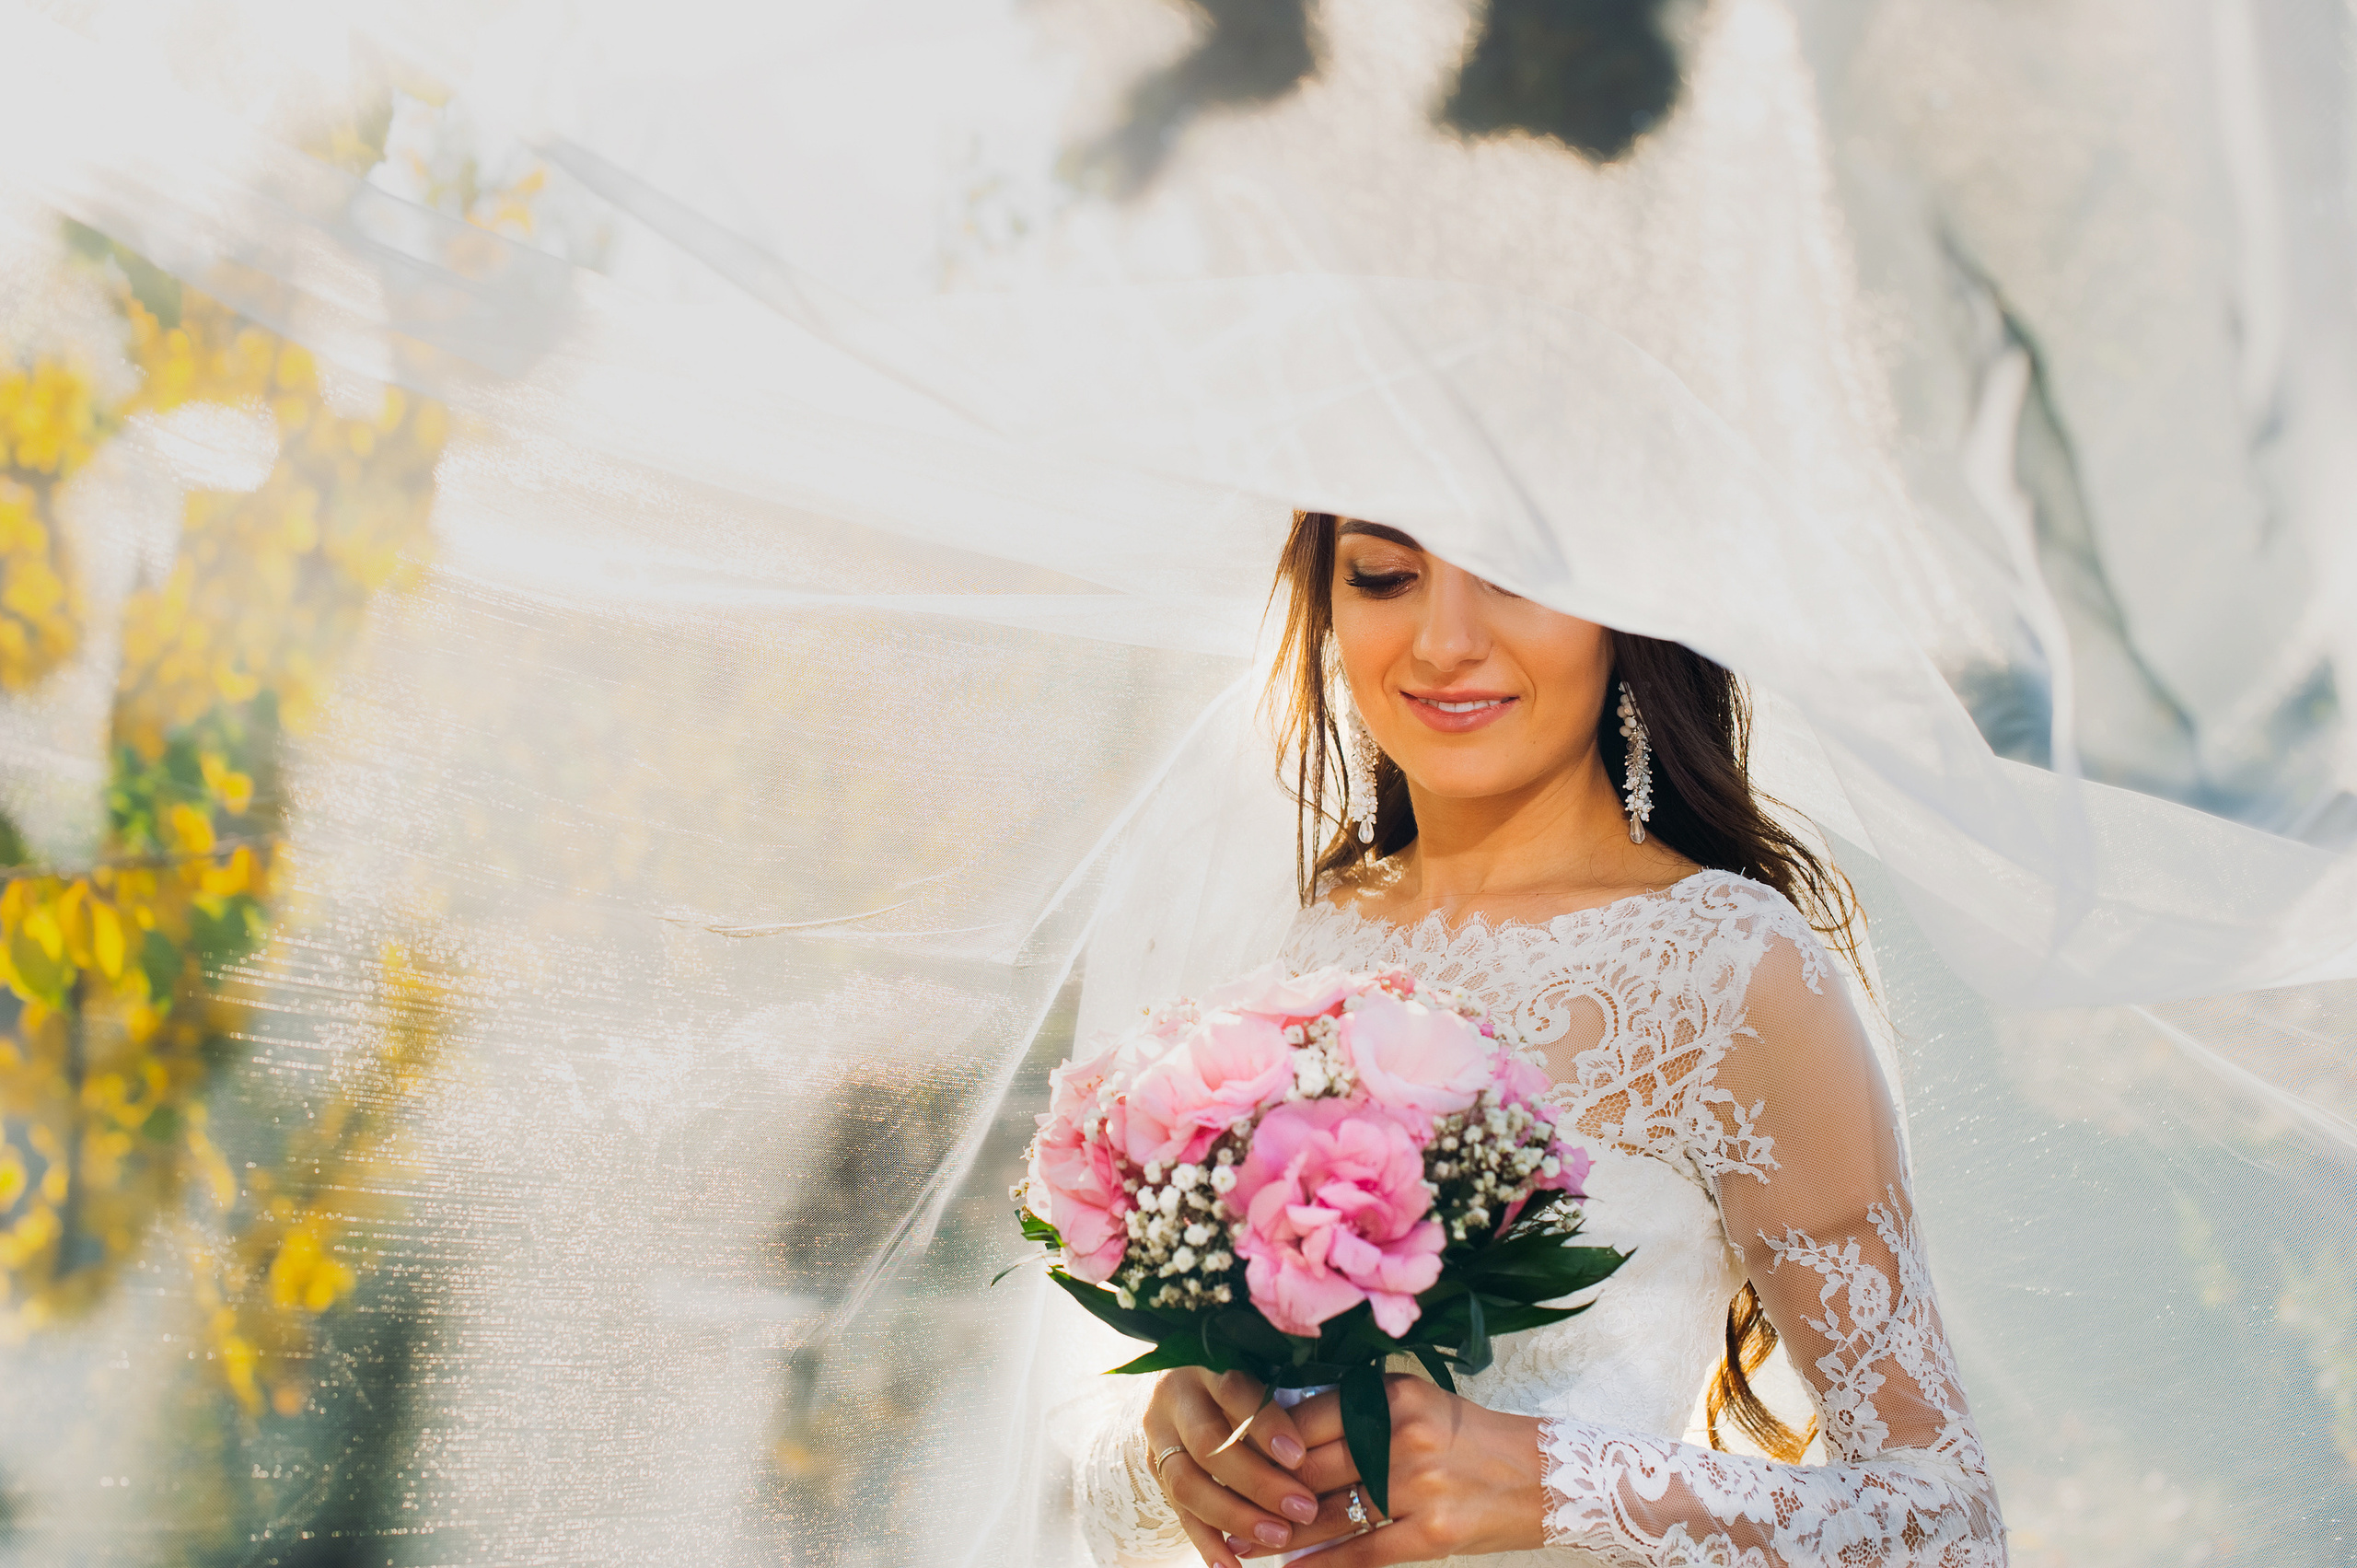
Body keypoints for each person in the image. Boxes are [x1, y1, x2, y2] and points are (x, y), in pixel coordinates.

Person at [1072, 513, 2007, 1567]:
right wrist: (1185, 1440)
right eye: (1384, 575)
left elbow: (1945, 1523)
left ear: (1633, 607)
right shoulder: (1298, 936)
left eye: (1515, 570)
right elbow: (1122, 1482)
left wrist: (1558, 1484)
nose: (1440, 641)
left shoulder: (1727, 969)